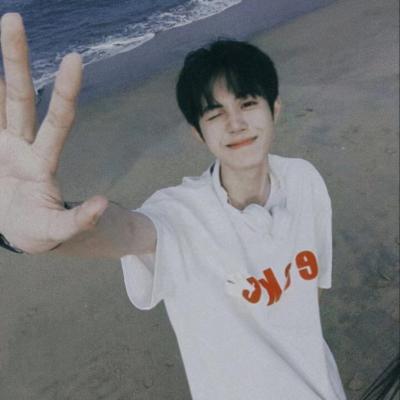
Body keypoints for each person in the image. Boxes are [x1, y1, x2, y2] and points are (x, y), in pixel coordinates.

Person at [0, 12, 347, 400]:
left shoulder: (304, 180)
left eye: (248, 103)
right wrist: (34, 229)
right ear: (198, 134)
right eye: (215, 113)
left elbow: (310, 297)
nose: (236, 124)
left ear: (274, 109)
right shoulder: (181, 214)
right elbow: (129, 231)